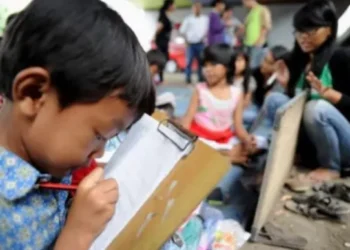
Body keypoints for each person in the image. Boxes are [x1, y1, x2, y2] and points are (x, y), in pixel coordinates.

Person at [0, 0, 155, 249]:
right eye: (98, 135)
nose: (101, 152)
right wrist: (78, 234)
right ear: (33, 94)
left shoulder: (48, 166)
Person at [264, 0, 350, 187]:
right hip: (313, 143)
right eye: (299, 31)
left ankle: (331, 167)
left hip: (344, 144)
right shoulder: (299, 61)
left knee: (316, 108)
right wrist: (287, 85)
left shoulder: (342, 58)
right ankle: (291, 154)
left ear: (328, 29)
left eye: (310, 31)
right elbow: (297, 108)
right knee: (275, 100)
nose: (303, 37)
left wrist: (331, 95)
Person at [180, 2, 208, 84]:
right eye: (195, 7)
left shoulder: (205, 19)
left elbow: (207, 31)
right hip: (190, 44)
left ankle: (200, 78)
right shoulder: (188, 19)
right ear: (192, 9)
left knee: (201, 62)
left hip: (201, 43)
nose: (197, 9)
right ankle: (188, 78)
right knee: (189, 62)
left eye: (198, 7)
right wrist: (185, 41)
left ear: (201, 8)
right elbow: (182, 31)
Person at [242, 0, 272, 69]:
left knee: (255, 68)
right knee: (248, 67)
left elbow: (266, 26)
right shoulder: (250, 12)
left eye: (244, 1)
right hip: (248, 44)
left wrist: (259, 41)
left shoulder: (262, 9)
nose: (243, 3)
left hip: (257, 45)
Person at [154, 0, 176, 83]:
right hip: (161, 41)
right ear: (169, 5)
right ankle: (158, 77)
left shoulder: (166, 15)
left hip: (165, 41)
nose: (174, 7)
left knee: (164, 59)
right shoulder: (163, 16)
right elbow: (159, 27)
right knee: (161, 59)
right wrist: (154, 37)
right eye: (173, 5)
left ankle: (160, 77)